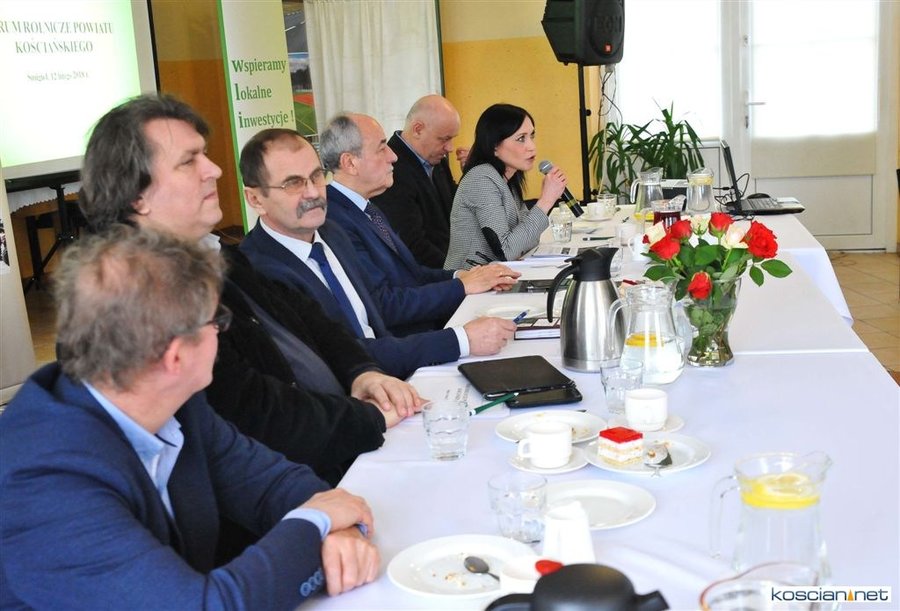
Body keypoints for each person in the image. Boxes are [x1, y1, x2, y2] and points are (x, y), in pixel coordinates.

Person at [0, 227, 379, 609]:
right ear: (176, 357)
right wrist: (316, 524)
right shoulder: (45, 481)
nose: (221, 334)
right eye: (217, 322)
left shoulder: (175, 403)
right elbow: (203, 606)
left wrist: (336, 529)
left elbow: (270, 483)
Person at [77, 94, 422, 489]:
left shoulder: (216, 253)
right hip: (299, 470)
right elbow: (250, 415)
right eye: (189, 161)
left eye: (205, 155)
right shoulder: (141, 294)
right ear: (137, 196)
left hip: (323, 447)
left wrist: (362, 373)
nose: (215, 170)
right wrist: (367, 418)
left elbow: (312, 320)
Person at [238, 128, 514, 379]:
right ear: (255, 199)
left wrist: (462, 282)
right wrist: (459, 340)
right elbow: (341, 356)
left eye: (316, 176)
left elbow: (377, 313)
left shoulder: (331, 233)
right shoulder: (258, 270)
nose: (312, 192)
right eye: (293, 183)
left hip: (397, 368)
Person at [319, 112, 521, 337]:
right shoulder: (334, 220)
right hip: (407, 341)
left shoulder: (366, 207)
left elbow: (412, 275)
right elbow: (384, 305)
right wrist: (462, 287)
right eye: (381, 148)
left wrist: (463, 276)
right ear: (350, 163)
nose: (393, 156)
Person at [443, 103, 568, 270]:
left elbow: (528, 241)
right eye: (521, 139)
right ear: (495, 146)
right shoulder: (481, 178)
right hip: (469, 281)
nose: (532, 147)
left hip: (497, 277)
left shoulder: (507, 179)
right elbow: (507, 251)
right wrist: (546, 200)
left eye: (531, 136)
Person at [371, 94, 461, 268]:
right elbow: (411, 244)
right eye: (444, 139)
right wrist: (459, 272)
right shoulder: (391, 169)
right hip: (431, 275)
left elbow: (455, 214)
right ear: (418, 129)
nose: (450, 148)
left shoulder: (438, 161)